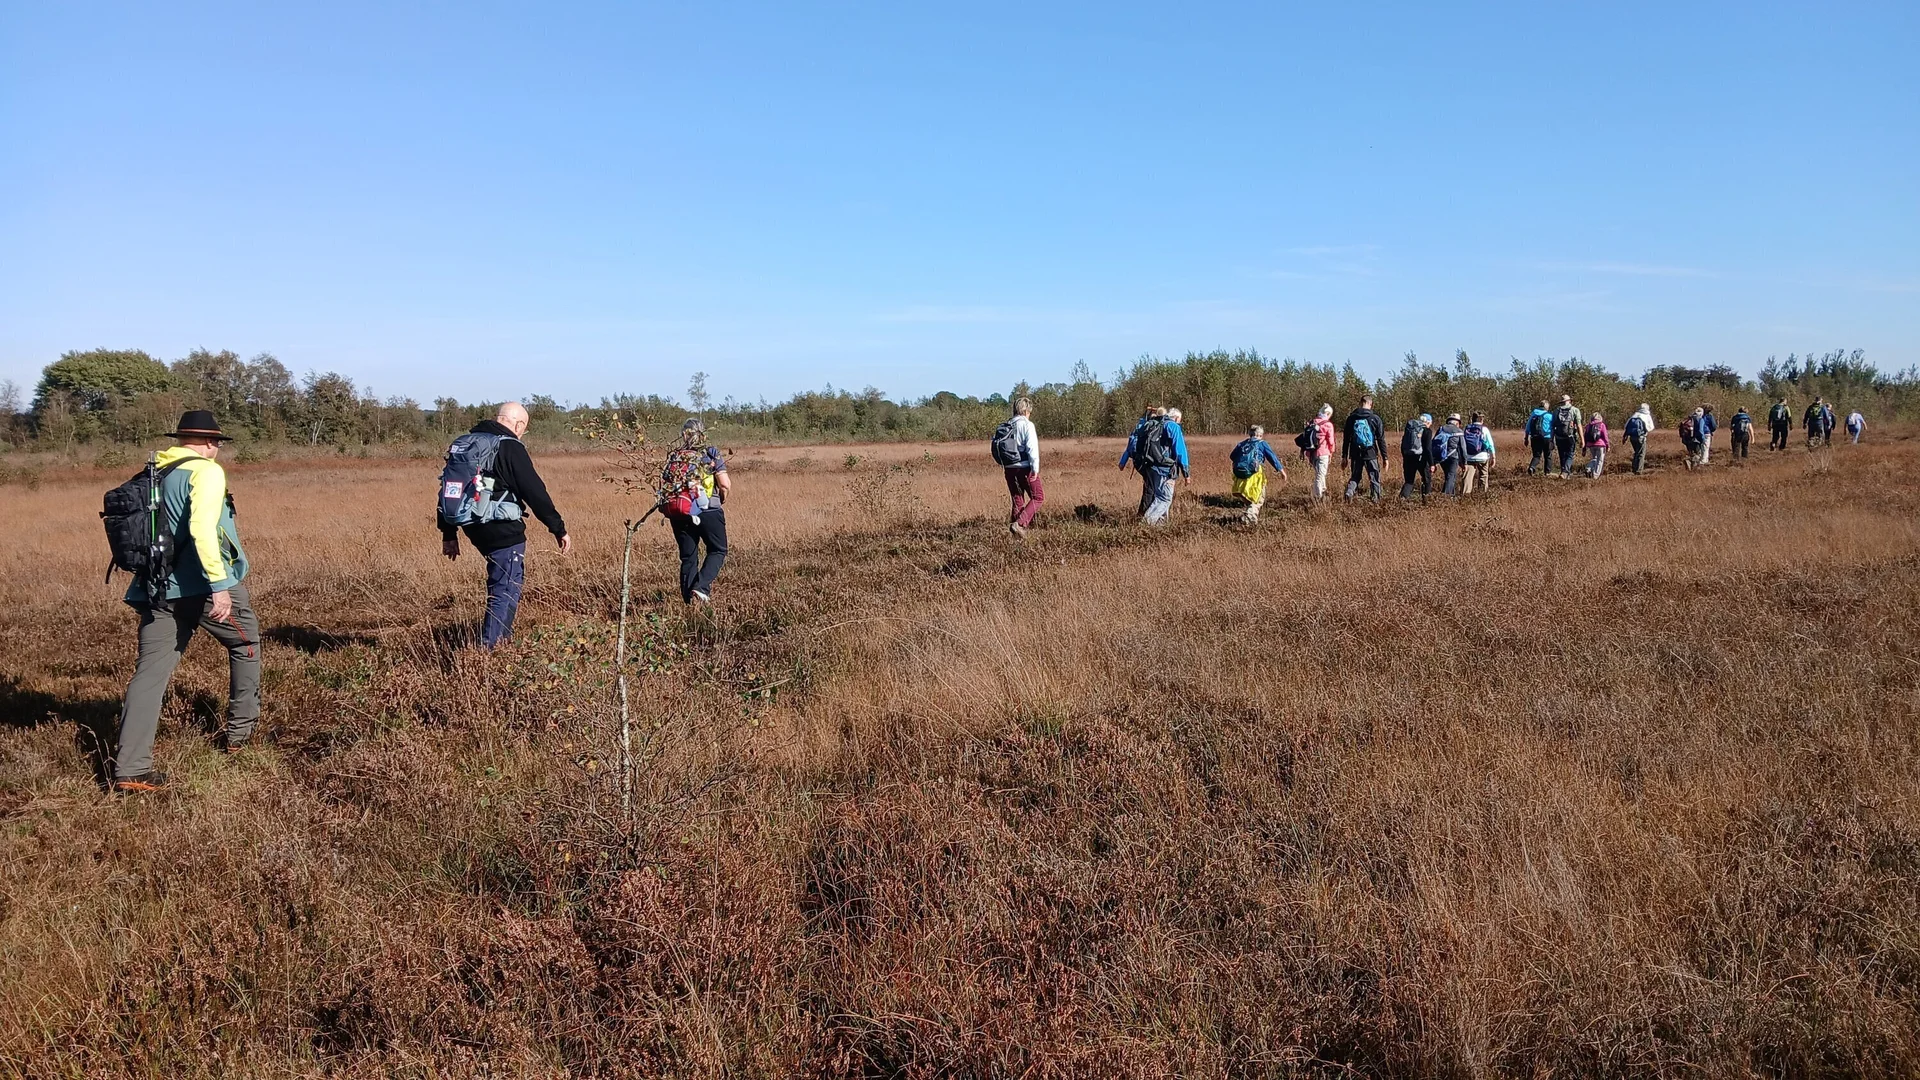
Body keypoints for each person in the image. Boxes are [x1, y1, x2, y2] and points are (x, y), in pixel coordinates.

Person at [111, 411, 260, 793]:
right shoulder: (206, 472)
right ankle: (240, 738)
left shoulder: (156, 471)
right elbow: (202, 531)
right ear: (211, 443)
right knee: (246, 645)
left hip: (156, 587)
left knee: (149, 674)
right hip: (201, 585)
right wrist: (219, 586)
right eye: (217, 444)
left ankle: (131, 769)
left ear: (179, 439)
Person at [440, 401, 571, 647]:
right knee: (504, 587)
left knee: (507, 579)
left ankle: (503, 641)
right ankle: (490, 650)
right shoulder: (509, 446)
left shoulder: (468, 443)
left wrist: (449, 533)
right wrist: (558, 528)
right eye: (524, 428)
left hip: (473, 526)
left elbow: (447, 489)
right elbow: (534, 491)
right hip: (502, 529)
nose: (522, 433)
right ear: (519, 424)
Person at [665, 417, 730, 603]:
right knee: (718, 550)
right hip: (708, 510)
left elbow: (665, 484)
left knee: (688, 557)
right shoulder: (710, 452)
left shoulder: (675, 455)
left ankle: (688, 603)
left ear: (683, 434)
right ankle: (701, 588)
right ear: (702, 433)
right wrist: (720, 500)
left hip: (680, 511)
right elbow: (724, 485)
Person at [1119, 405, 1189, 524]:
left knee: (1157, 496)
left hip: (1149, 466)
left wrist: (1122, 462)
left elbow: (1131, 443)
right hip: (1165, 469)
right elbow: (1180, 450)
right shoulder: (1173, 427)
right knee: (1164, 498)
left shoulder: (1149, 425)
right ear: (1176, 418)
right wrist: (1186, 473)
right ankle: (1146, 524)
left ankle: (1160, 528)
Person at [1000, 397, 1042, 537]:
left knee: (1018, 500)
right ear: (1026, 410)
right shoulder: (1027, 425)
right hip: (1024, 468)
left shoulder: (1007, 425)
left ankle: (1015, 536)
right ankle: (1020, 524)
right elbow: (1032, 449)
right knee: (1038, 497)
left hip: (1009, 469)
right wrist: (1035, 469)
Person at [1229, 425, 1287, 523]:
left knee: (1248, 498)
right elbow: (1272, 458)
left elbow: (1232, 456)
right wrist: (1281, 471)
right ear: (1259, 435)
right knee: (1259, 498)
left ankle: (1251, 519)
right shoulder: (1262, 444)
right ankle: (1248, 517)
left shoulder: (1242, 444)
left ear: (1250, 434)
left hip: (1240, 476)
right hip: (1254, 474)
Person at [1340, 395, 1387, 503]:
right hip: (1370, 453)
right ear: (1370, 404)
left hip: (1355, 453)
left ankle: (1349, 492)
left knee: (1355, 476)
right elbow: (1381, 440)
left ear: (1360, 403)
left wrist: (1344, 456)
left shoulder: (1351, 418)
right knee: (1374, 477)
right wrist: (1385, 457)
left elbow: (1346, 439)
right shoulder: (1375, 418)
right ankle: (1376, 500)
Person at [1304, 404, 1337, 500]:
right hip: (1323, 453)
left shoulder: (1312, 422)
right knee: (1320, 475)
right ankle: (1318, 497)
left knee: (1319, 473)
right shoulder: (1328, 425)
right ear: (1327, 413)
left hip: (1312, 453)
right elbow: (1331, 441)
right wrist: (1331, 452)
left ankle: (1322, 490)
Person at [1460, 412, 1497, 494]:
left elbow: (1462, 443)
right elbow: (1490, 444)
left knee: (1467, 478)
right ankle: (1482, 495)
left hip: (1469, 457)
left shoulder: (1466, 429)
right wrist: (1493, 457)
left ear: (1472, 419)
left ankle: (1465, 496)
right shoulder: (1484, 429)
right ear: (1482, 419)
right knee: (1483, 476)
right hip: (1483, 457)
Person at [1398, 412, 1432, 500]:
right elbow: (1428, 448)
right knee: (1426, 481)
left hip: (1408, 458)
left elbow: (1402, 445)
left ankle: (1401, 500)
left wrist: (1405, 456)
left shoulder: (1410, 429)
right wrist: (1432, 463)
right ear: (1428, 422)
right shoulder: (1427, 431)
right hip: (1421, 459)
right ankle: (1426, 502)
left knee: (1409, 482)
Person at [1431, 413, 1465, 495]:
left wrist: (1434, 462)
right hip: (1453, 457)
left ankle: (1451, 496)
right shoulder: (1459, 431)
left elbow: (1434, 444)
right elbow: (1462, 448)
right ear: (1457, 423)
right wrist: (1464, 462)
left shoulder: (1441, 429)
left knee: (1448, 476)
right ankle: (1446, 497)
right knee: (1451, 476)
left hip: (1442, 457)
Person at [1552, 395, 1584, 477]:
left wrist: (1551, 440)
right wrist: (1582, 440)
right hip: (1570, 436)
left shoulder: (1556, 411)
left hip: (1559, 437)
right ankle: (1565, 472)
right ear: (1569, 401)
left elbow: (1552, 426)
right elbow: (1579, 425)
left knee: (1562, 455)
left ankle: (1564, 473)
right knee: (1570, 455)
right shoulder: (1575, 410)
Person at [1525, 399, 1555, 476]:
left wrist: (1526, 438)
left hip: (1534, 437)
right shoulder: (1550, 416)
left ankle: (1532, 467)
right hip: (1546, 438)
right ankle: (1547, 473)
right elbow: (1553, 427)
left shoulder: (1533, 414)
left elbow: (1528, 427)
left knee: (1536, 455)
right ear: (1546, 407)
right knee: (1548, 456)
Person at [1624, 403, 1654, 475]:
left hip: (1632, 438)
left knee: (1636, 452)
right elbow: (1650, 428)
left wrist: (1625, 436)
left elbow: (1626, 426)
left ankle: (1634, 468)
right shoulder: (1646, 415)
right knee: (1641, 454)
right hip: (1641, 437)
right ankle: (1639, 470)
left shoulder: (1635, 415)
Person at [1584, 411, 1610, 478]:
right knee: (1600, 460)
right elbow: (1605, 436)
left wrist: (1584, 448)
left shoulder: (1588, 426)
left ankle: (1588, 468)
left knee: (1594, 459)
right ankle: (1595, 476)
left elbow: (1585, 436)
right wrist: (1608, 445)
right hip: (1601, 445)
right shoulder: (1602, 425)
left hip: (1591, 446)